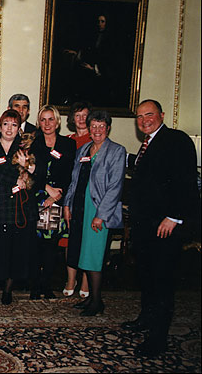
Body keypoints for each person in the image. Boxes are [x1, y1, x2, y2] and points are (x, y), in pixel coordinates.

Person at [121, 99, 200, 357]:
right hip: (146, 227)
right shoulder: (147, 144)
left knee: (162, 281)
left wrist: (175, 216)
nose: (144, 120)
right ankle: (145, 318)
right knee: (147, 276)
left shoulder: (176, 141)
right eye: (140, 116)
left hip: (165, 226)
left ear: (161, 115)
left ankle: (157, 339)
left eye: (149, 114)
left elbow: (186, 181)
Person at [63, 110, 125, 317]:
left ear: (108, 128)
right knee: (83, 251)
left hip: (98, 210)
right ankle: (90, 298)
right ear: (89, 128)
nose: (97, 130)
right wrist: (67, 205)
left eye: (101, 126)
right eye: (94, 126)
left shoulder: (116, 151)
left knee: (94, 255)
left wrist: (101, 214)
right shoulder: (83, 150)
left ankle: (97, 300)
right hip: (80, 207)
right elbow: (74, 180)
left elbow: (115, 186)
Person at [0, 109, 37, 305]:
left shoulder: (27, 147)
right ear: (0, 127)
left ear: (19, 129)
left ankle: (8, 289)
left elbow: (35, 174)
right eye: (6, 124)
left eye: (14, 125)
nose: (9, 129)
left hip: (21, 206)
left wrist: (27, 171)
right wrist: (16, 178)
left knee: (17, 249)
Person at [30, 106, 76, 300]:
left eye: (51, 119)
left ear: (57, 122)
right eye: (43, 119)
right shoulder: (33, 143)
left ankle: (46, 285)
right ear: (38, 122)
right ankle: (34, 286)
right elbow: (27, 171)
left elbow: (71, 174)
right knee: (35, 245)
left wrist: (57, 194)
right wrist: (46, 188)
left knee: (51, 246)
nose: (47, 124)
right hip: (36, 197)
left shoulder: (68, 144)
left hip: (58, 198)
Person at [62, 101, 93, 298]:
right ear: (72, 118)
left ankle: (86, 282)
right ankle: (70, 279)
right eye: (78, 115)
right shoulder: (67, 140)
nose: (81, 119)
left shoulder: (96, 138)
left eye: (85, 115)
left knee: (87, 241)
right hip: (69, 195)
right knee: (68, 241)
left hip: (88, 198)